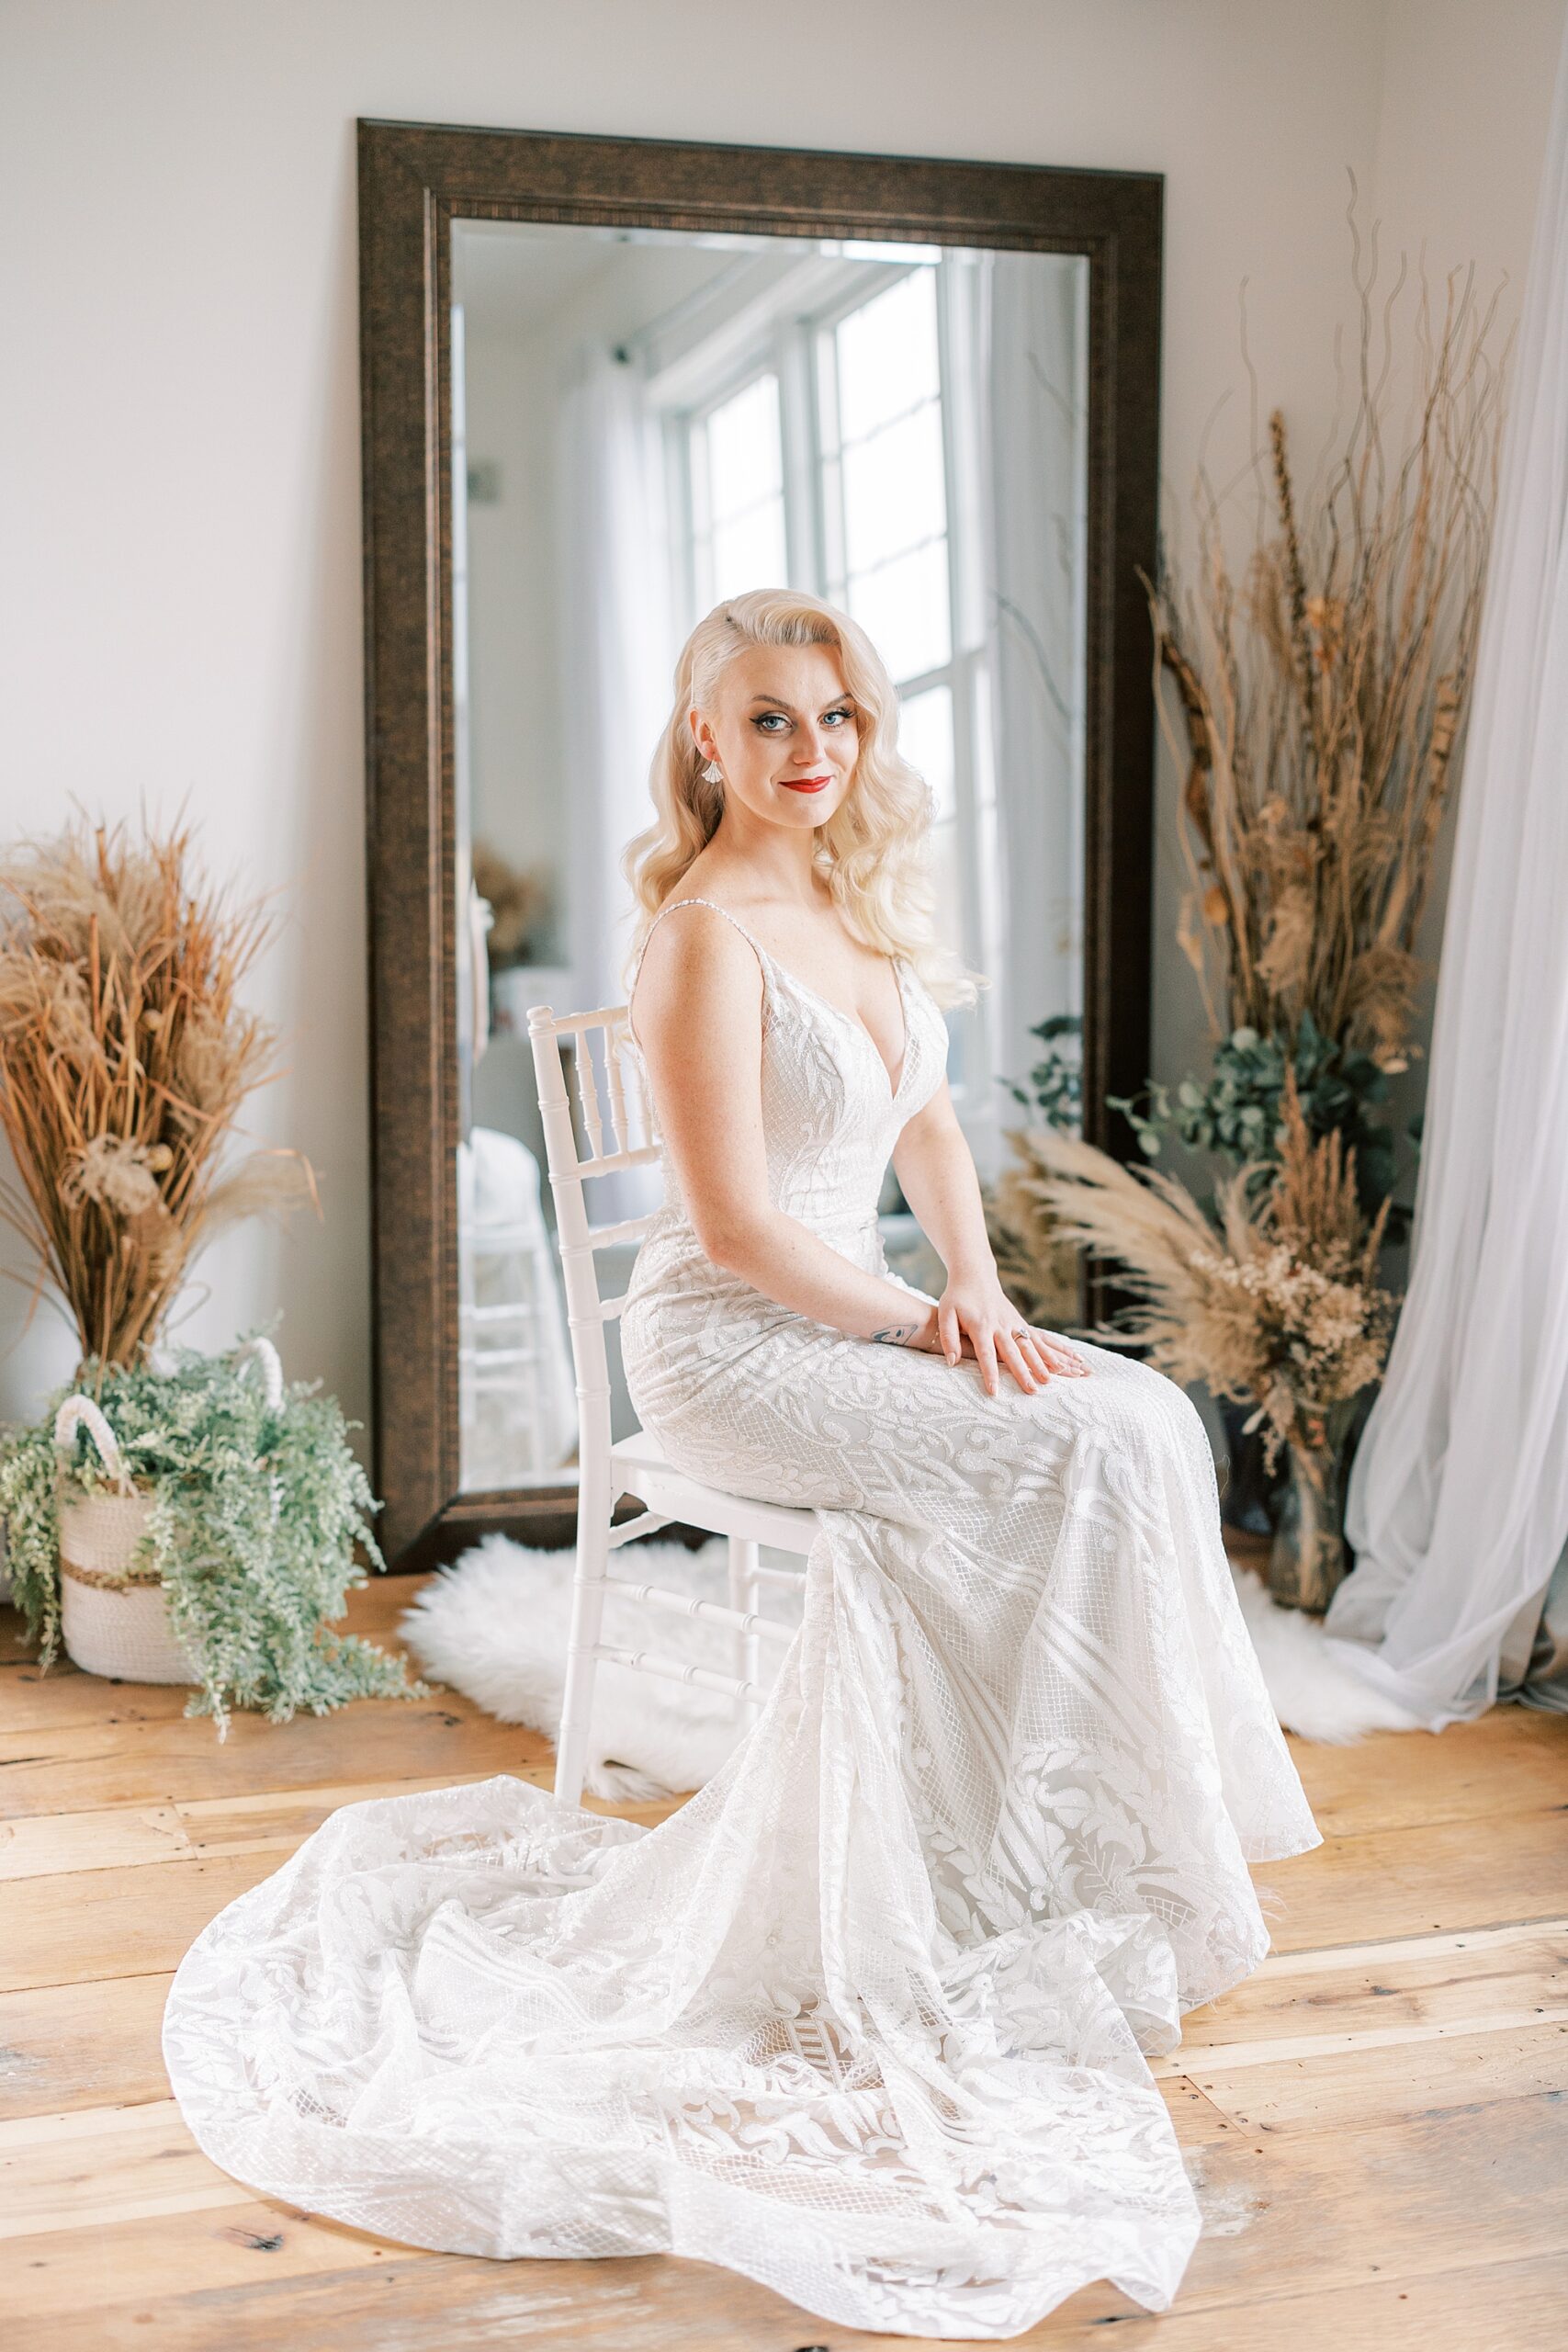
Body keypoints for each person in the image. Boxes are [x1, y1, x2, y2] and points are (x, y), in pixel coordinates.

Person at [161, 589, 1322, 2342]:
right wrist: (926, 1331)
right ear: (707, 739)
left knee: (1140, 1420)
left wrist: (984, 1285)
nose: (812, 751)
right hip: (731, 1347)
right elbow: (732, 1231)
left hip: (865, 1307)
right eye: (771, 720)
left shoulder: (854, 904)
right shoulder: (700, 936)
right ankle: (1015, 1866)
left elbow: (925, 1121)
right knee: (1073, 1444)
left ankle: (1075, 1854)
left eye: (839, 717)